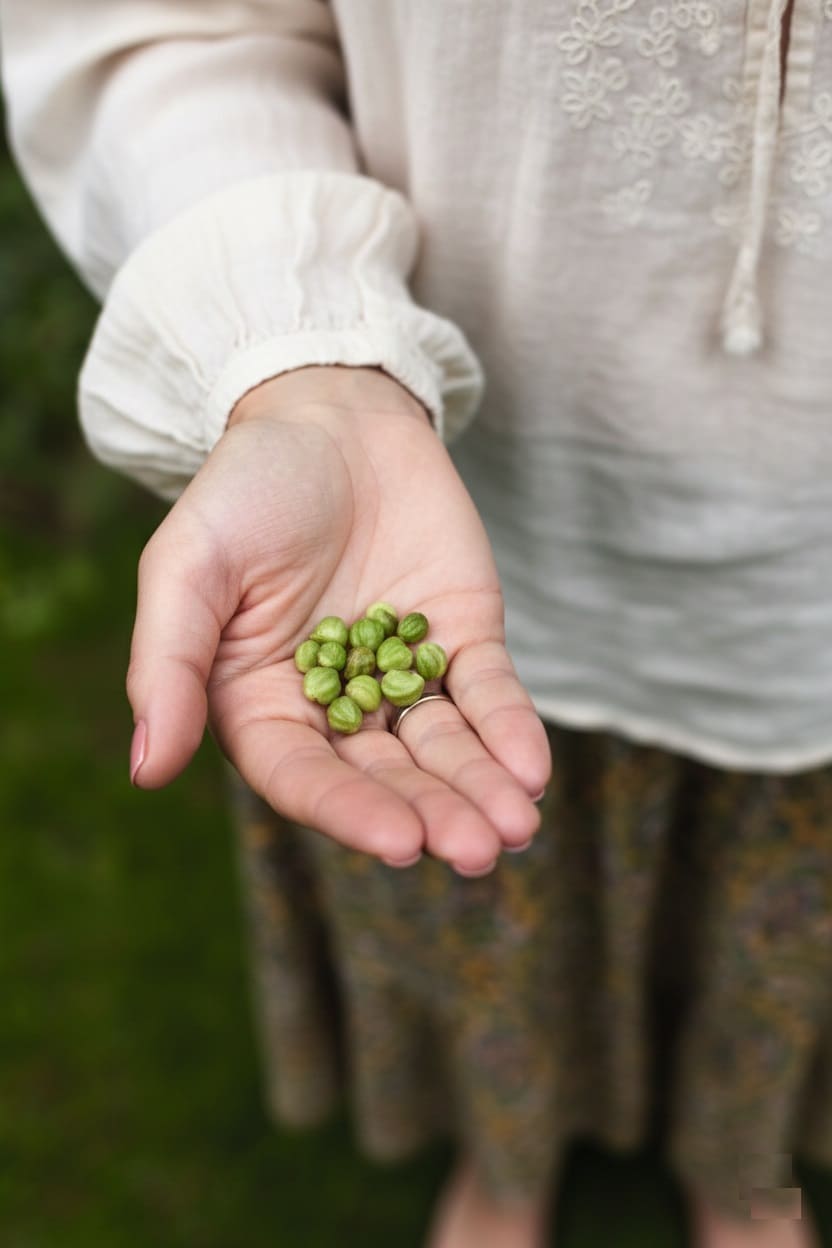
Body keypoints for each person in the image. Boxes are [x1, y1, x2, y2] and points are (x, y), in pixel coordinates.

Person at [3, 2, 832, 1244]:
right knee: (461, 882)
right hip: (447, 522)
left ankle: (743, 1177)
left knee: (767, 957)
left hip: (803, 621)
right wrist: (303, 370)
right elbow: (168, 29)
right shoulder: (390, 636)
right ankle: (504, 1167)